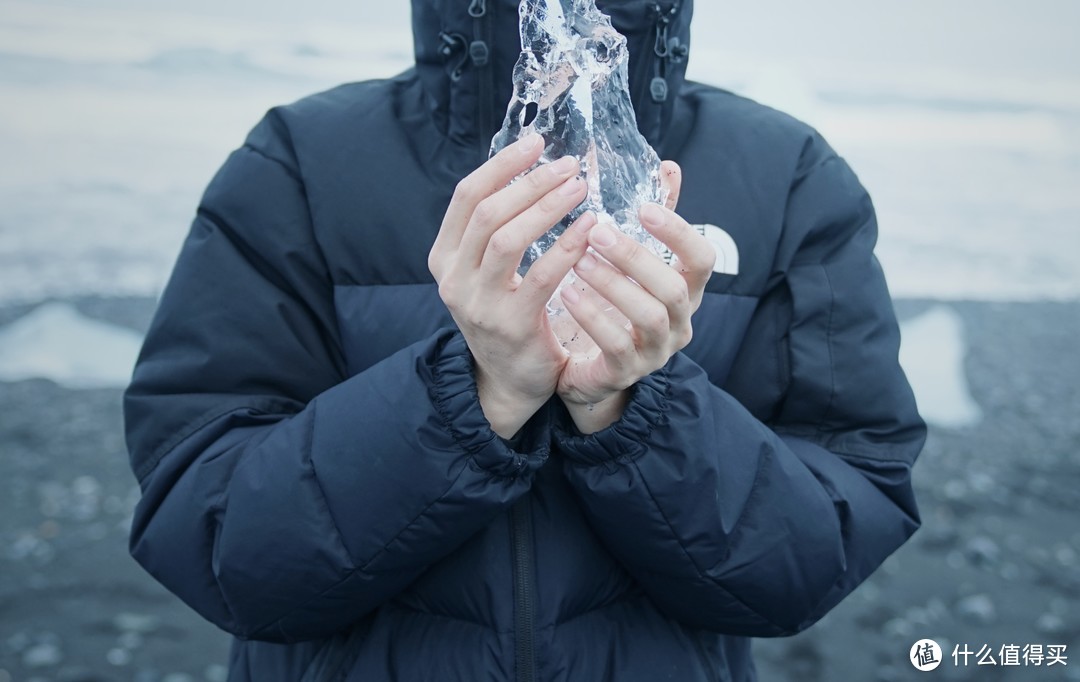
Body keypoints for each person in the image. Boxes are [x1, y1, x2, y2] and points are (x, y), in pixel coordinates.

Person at [123, 1, 925, 680]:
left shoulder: (790, 177)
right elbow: (219, 544)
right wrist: (478, 391)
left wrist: (632, 404)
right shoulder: (299, 161)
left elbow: (817, 553)